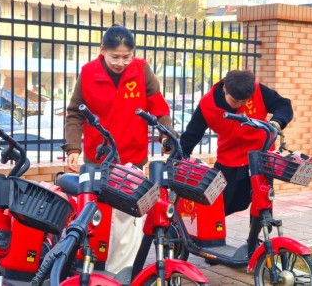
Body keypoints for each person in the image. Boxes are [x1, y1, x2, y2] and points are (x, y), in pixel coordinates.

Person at [61, 24, 175, 273]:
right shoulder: (88, 73)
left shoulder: (142, 70)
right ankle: (92, 266)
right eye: (115, 57)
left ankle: (120, 272)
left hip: (131, 159)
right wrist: (72, 148)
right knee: (97, 215)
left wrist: (167, 135)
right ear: (102, 50)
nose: (121, 62)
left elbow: (158, 107)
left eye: (127, 56)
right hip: (97, 157)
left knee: (128, 218)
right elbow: (74, 113)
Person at [180, 69, 293, 216]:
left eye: (244, 101)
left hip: (260, 156)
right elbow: (193, 134)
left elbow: (284, 105)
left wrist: (277, 122)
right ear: (225, 88)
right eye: (235, 100)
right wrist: (179, 155)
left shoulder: (258, 90)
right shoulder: (208, 104)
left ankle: (258, 235)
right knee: (219, 206)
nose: (239, 105)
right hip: (228, 160)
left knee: (262, 204)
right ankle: (215, 238)